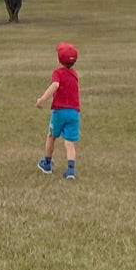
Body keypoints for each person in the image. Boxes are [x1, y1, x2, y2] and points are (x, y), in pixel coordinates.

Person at [34, 41, 82, 179]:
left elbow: (55, 85)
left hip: (60, 111)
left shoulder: (57, 73)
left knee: (51, 136)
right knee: (69, 142)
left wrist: (42, 99)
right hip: (73, 113)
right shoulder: (75, 74)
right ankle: (71, 170)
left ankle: (47, 164)